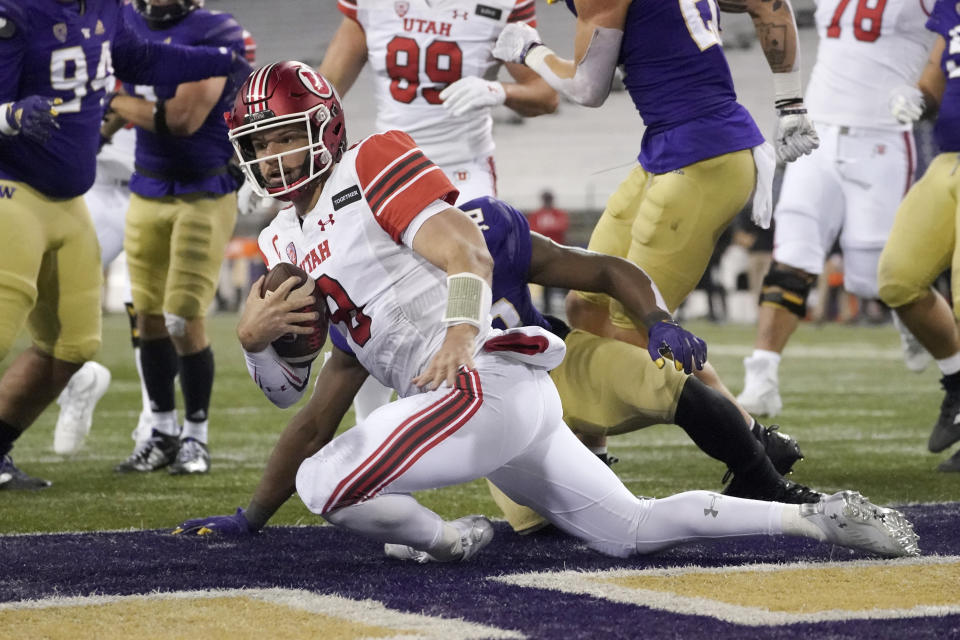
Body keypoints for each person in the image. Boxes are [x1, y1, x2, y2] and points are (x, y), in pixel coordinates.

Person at [170, 62, 919, 563]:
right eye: (256, 146)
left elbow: (466, 250)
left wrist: (462, 329)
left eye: (280, 138)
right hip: (499, 406)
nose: (270, 160)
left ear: (324, 127)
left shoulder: (368, 161)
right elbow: (299, 408)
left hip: (479, 380)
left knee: (326, 484)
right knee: (630, 531)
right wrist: (251, 352)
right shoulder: (283, 240)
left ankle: (449, 541)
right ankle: (816, 519)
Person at [492, 0, 819, 430]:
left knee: (638, 327)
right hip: (670, 149)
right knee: (586, 303)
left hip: (702, 154)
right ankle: (594, 449)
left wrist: (530, 52)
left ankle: (753, 443)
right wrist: (790, 101)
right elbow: (768, 4)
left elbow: (588, 89)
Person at [0, 0, 242, 490]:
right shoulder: (16, 11)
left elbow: (145, 61)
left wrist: (220, 61)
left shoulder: (108, 7)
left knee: (72, 346)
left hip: (70, 198)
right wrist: (9, 116)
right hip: (13, 189)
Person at [321, 0, 559, 421]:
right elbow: (323, 90)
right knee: (373, 302)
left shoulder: (501, 4)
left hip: (462, 172)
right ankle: (372, 427)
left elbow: (546, 94)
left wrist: (498, 90)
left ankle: (504, 403)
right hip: (389, 171)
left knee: (477, 288)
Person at [53, 26, 261, 457]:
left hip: (170, 186)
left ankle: (159, 426)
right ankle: (79, 380)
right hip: (98, 185)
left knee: (169, 316)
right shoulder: (105, 30)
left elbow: (182, 117)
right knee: (50, 297)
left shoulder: (206, 37)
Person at [736, 0, 935, 417]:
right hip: (819, 130)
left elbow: (952, 37)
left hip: (882, 135)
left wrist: (924, 90)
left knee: (874, 279)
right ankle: (762, 377)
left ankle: (913, 319)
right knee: (791, 254)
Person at [106, 0, 252, 475]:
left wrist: (108, 99)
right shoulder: (125, 19)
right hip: (147, 186)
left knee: (181, 319)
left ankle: (197, 436)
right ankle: (163, 432)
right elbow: (123, 102)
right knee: (146, 318)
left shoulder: (215, 30)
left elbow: (182, 118)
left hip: (202, 190)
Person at [877, 0, 960, 473]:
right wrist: (914, 98)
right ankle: (957, 383)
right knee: (897, 277)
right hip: (948, 158)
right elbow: (933, 84)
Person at [525, 190, 570, 314]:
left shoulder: (559, 213)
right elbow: (533, 230)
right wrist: (549, 230)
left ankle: (569, 304)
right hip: (543, 253)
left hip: (559, 251)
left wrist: (545, 230)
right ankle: (547, 309)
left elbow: (562, 226)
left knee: (566, 280)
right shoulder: (536, 215)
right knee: (546, 281)